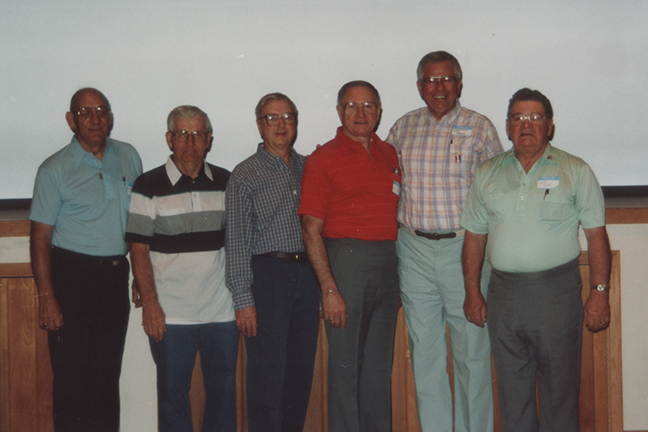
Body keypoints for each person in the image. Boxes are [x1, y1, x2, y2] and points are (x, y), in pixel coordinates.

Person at [461, 88, 611, 432]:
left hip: (555, 294)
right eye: (518, 118)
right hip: (503, 295)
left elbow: (596, 237)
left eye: (535, 117)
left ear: (550, 125)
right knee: (512, 395)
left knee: (559, 395)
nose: (526, 124)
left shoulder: (575, 169)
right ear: (507, 126)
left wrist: (599, 292)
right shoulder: (487, 172)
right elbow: (474, 236)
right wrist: (472, 291)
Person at [385, 51, 503, 432]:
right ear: (420, 87)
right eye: (431, 81)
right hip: (413, 250)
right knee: (426, 356)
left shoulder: (480, 128)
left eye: (447, 79)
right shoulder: (402, 129)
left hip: (464, 250)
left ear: (459, 84)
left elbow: (498, 194)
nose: (439, 87)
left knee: (472, 355)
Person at [29, 88, 142, 432]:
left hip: (114, 277)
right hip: (71, 279)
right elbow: (40, 237)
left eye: (102, 110)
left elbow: (139, 223)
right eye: (85, 112)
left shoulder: (128, 156)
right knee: (72, 383)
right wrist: (46, 296)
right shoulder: (54, 169)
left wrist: (141, 274)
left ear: (110, 116)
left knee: (106, 380)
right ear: (71, 120)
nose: (95, 119)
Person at [125, 105, 237, 432]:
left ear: (209, 139)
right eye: (182, 134)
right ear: (169, 139)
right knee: (172, 396)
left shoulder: (227, 181)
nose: (190, 142)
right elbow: (138, 249)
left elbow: (238, 241)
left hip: (221, 311)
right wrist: (151, 304)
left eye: (197, 134)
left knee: (223, 394)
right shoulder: (147, 185)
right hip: (170, 314)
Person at [300, 81, 402, 432]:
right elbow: (310, 230)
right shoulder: (322, 159)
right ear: (339, 111)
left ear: (379, 111)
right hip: (346, 264)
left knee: (378, 369)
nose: (361, 113)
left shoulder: (389, 153)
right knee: (345, 370)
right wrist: (329, 289)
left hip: (388, 263)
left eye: (369, 106)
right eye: (352, 106)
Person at [225, 93, 320, 432]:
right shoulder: (244, 174)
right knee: (267, 373)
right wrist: (243, 299)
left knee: (299, 372)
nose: (281, 124)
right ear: (259, 125)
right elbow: (236, 241)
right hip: (268, 276)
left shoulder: (308, 166)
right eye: (272, 118)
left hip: (307, 275)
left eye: (288, 117)